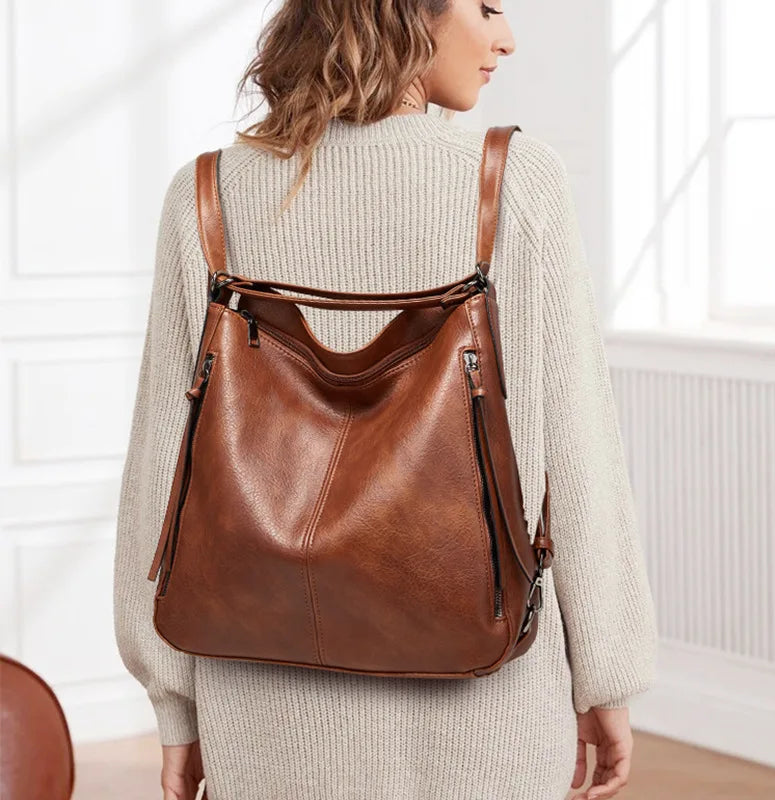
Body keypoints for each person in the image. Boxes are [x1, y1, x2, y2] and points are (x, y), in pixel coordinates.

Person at [112, 2, 658, 799]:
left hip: (264, 698)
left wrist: (175, 706)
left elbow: (165, 466)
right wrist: (603, 674)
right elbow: (578, 450)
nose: (507, 37)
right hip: (487, 697)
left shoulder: (209, 194)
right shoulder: (514, 182)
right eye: (486, 6)